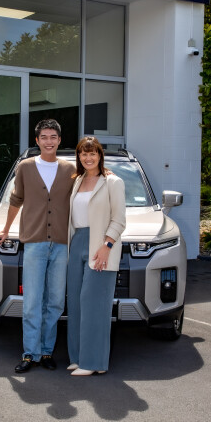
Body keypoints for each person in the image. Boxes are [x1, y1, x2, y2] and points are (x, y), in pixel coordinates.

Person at [0, 119, 75, 373]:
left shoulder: (70, 170)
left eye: (53, 137)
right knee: (31, 301)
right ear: (37, 140)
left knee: (55, 302)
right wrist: (6, 229)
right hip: (34, 244)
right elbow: (16, 200)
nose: (49, 141)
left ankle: (47, 351)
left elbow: (86, 191)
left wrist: (107, 174)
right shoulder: (26, 167)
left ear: (59, 140)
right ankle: (30, 353)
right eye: (44, 137)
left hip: (61, 245)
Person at [66, 136, 126, 376]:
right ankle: (78, 358)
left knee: (95, 306)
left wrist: (106, 245)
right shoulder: (77, 181)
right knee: (76, 304)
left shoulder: (113, 182)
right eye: (83, 153)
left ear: (100, 155)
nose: (88, 157)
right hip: (77, 242)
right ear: (79, 156)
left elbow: (119, 219)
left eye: (92, 153)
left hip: (101, 245)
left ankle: (93, 363)